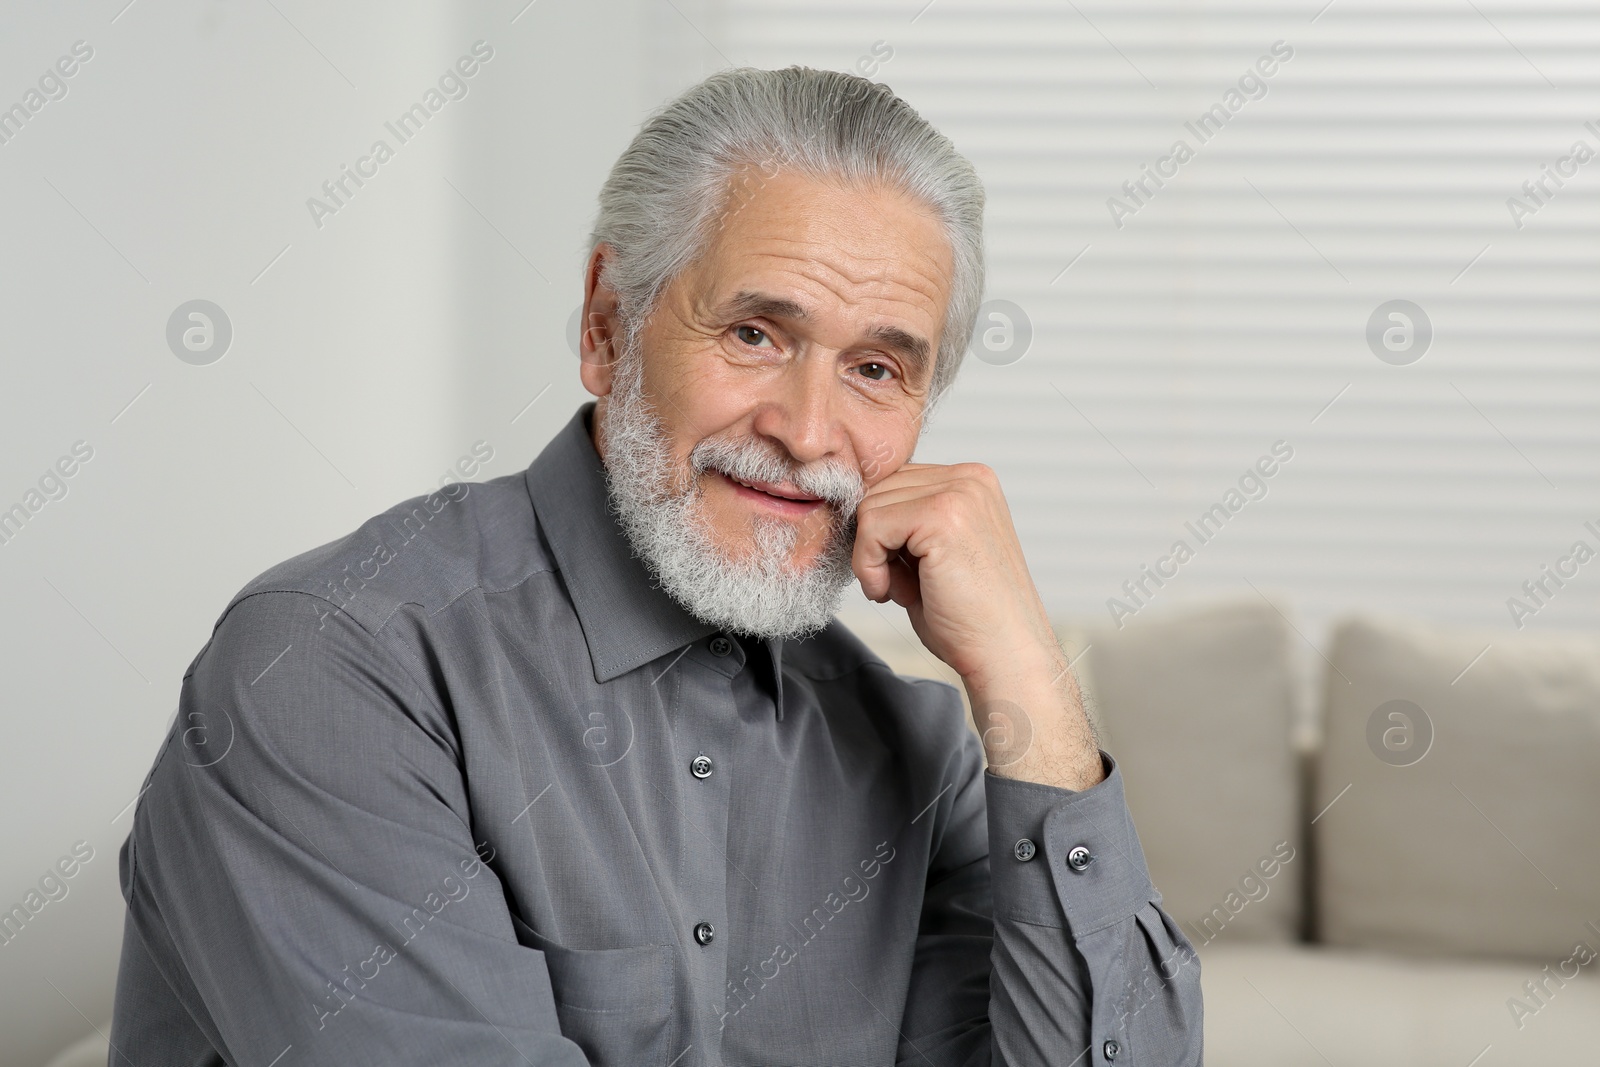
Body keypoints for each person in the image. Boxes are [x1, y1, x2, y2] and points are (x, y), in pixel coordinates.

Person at [111, 65, 1202, 1066]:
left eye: (875, 367)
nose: (808, 430)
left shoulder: (915, 746)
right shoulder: (327, 666)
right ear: (605, 324)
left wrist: (1030, 684)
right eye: (755, 335)